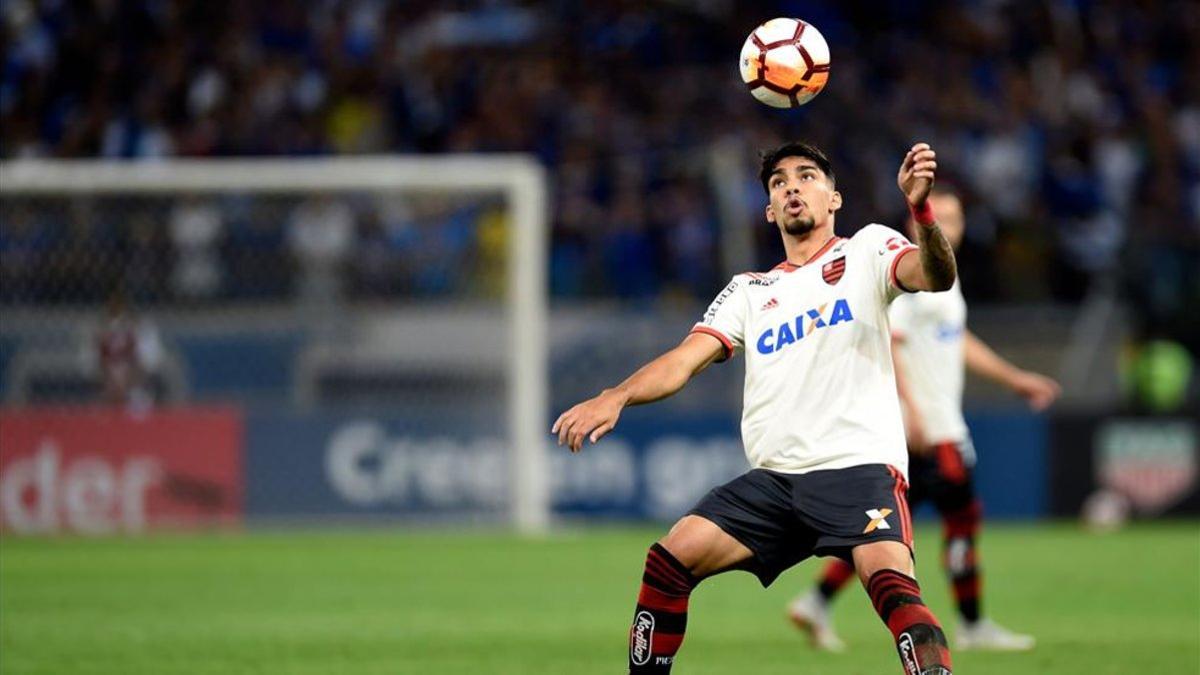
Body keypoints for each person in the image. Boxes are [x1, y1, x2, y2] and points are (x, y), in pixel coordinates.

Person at [553, 141, 958, 674]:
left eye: (807, 176)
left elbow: (937, 275)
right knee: (671, 559)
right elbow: (683, 360)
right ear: (769, 209)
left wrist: (921, 212)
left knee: (890, 583)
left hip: (856, 469)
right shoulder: (749, 291)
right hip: (776, 480)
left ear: (833, 198)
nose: (792, 186)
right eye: (779, 182)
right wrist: (618, 394)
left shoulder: (868, 249)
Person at [787, 186, 1061, 653]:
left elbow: (958, 340)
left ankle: (816, 600)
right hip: (931, 431)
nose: (950, 227)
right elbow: (890, 344)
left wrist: (1014, 378)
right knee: (958, 521)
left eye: (955, 219)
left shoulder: (945, 286)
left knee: (887, 525)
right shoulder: (911, 282)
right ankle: (972, 625)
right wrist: (909, 413)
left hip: (935, 426)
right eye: (941, 218)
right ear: (919, 223)